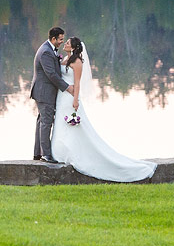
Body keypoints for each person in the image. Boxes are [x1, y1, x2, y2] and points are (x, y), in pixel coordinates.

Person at [51, 37, 157, 182]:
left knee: (74, 126)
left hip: (70, 97)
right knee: (61, 124)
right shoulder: (64, 60)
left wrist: (75, 100)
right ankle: (61, 150)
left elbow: (77, 82)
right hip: (61, 97)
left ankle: (74, 152)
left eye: (68, 42)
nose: (65, 44)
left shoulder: (77, 62)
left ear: (74, 47)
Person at [30, 27, 69, 163]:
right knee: (46, 122)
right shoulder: (46, 52)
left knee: (42, 122)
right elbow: (51, 74)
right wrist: (67, 87)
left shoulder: (48, 49)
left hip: (42, 92)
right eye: (60, 39)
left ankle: (38, 153)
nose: (61, 42)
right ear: (53, 39)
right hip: (44, 93)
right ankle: (46, 155)